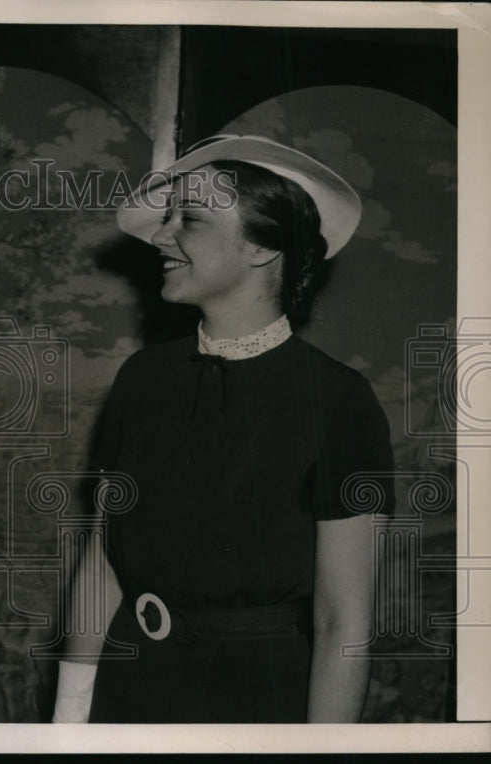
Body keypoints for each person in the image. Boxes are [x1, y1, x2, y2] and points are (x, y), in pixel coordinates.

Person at [53, 135, 394, 723]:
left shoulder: (339, 400)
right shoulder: (142, 378)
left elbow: (343, 621)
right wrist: (69, 717)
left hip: (257, 701)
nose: (162, 236)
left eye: (191, 220)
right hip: (129, 685)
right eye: (168, 218)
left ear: (263, 247)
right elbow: (103, 560)